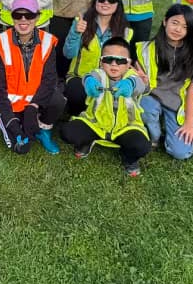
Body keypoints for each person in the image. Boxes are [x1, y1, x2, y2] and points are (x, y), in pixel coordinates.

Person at [61, 37, 150, 178]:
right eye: (108, 59)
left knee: (141, 145)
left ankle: (129, 159)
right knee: (67, 132)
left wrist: (131, 84)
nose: (114, 64)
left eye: (120, 60)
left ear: (128, 64)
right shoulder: (98, 73)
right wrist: (89, 81)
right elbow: (89, 77)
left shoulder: (133, 77)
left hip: (125, 127)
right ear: (101, 62)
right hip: (97, 124)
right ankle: (86, 142)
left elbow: (141, 85)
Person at [0, 0, 64, 154]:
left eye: (29, 15)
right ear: (12, 17)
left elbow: (50, 80)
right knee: (21, 147)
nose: (23, 20)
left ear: (37, 17)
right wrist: (11, 121)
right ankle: (18, 123)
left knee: (58, 99)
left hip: (34, 101)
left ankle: (44, 128)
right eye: (18, 15)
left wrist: (33, 106)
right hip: (8, 104)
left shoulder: (48, 41)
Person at [135, 4, 193, 161]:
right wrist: (139, 79)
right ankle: (154, 137)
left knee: (181, 153)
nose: (178, 29)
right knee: (146, 108)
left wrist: (189, 122)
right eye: (174, 23)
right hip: (151, 96)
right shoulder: (145, 49)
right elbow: (138, 80)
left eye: (185, 26)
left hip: (177, 102)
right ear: (164, 22)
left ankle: (164, 125)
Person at [62, 0, 132, 116]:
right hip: (80, 78)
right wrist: (76, 33)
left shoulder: (125, 31)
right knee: (77, 93)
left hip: (109, 80)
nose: (106, 3)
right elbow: (68, 54)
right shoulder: (81, 23)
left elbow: (124, 62)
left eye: (111, 0)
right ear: (94, 2)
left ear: (118, 5)